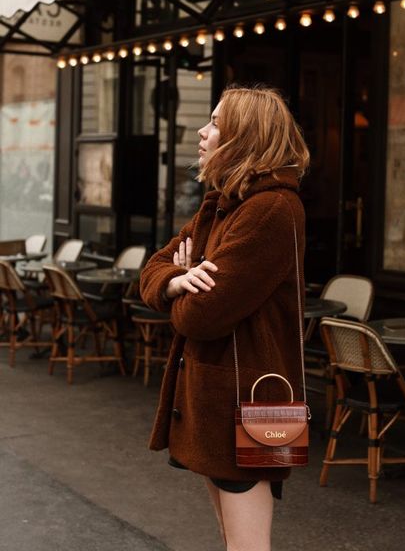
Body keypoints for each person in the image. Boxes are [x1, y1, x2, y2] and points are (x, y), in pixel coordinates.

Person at [140, 85, 310, 551]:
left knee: (247, 546)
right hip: (220, 399)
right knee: (231, 540)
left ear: (245, 137)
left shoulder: (272, 208)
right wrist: (177, 279)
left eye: (215, 122)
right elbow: (153, 268)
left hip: (255, 401)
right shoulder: (222, 204)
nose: (202, 130)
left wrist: (181, 282)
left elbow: (201, 317)